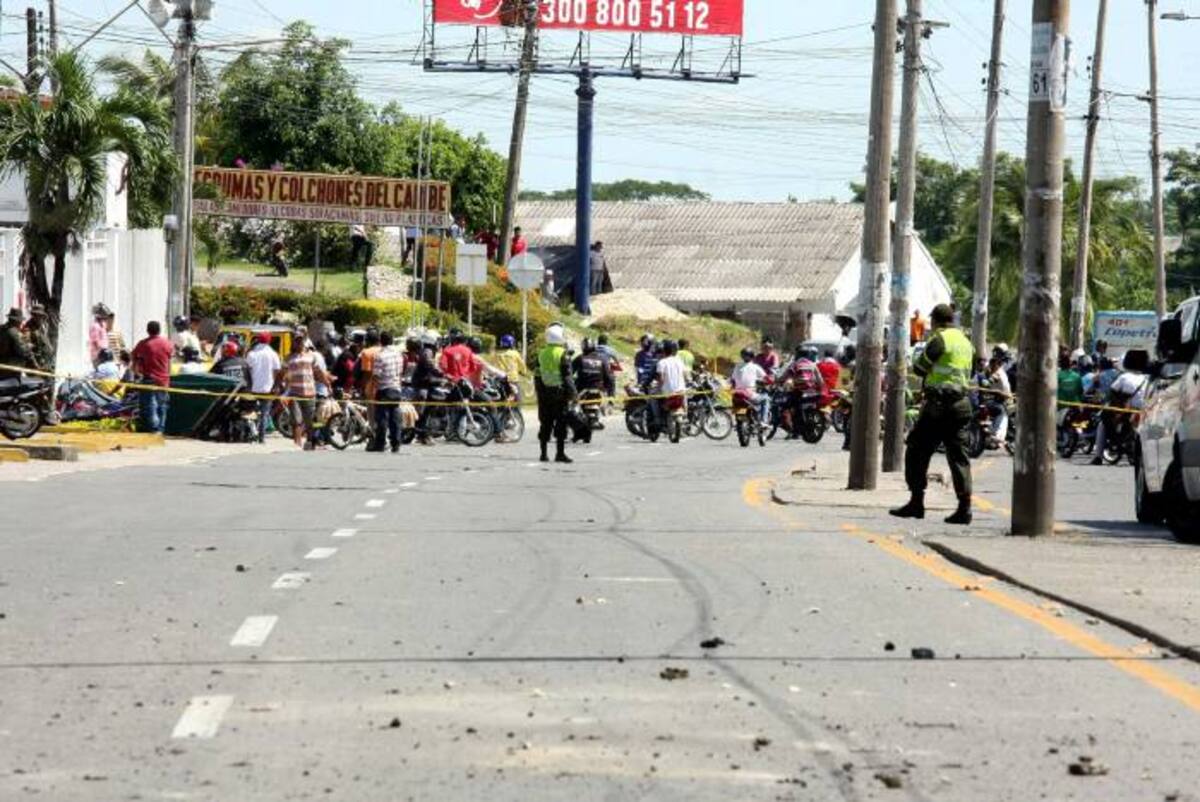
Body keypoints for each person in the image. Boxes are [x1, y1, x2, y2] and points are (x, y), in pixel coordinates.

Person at [889, 304, 975, 525]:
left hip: (938, 406)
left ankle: (916, 502)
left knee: (916, 450)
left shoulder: (940, 340)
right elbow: (971, 372)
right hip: (961, 405)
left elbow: (920, 368)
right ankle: (964, 508)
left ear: (936, 321)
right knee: (959, 457)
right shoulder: (966, 342)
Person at [278, 334, 328, 450]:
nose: (299, 343)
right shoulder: (288, 358)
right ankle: (297, 443)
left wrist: (327, 384)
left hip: (310, 393)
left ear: (304, 343)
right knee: (296, 420)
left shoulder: (311, 356)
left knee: (309, 421)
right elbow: (282, 373)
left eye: (301, 341)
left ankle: (309, 442)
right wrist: (277, 385)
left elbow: (318, 372)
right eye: (297, 341)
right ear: (294, 343)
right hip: (294, 393)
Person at [535, 323, 575, 464]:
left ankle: (543, 454)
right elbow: (567, 377)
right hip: (559, 395)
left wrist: (539, 393)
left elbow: (537, 375)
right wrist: (573, 394)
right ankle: (560, 454)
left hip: (544, 394)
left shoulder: (541, 353)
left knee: (545, 423)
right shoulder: (563, 354)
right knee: (561, 424)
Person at [1092, 362, 1147, 466]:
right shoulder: (1146, 378)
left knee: (1102, 424)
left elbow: (1112, 392)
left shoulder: (1124, 377)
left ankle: (1098, 456)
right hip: (1143, 410)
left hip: (1128, 410)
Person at [131, 320, 174, 433]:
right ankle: (161, 428)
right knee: (162, 405)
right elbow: (170, 360)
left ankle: (154, 427)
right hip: (164, 379)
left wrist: (135, 370)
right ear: (159, 330)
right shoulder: (167, 343)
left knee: (150, 405)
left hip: (149, 378)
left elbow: (134, 356)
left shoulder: (143, 344)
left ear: (147, 331)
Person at [368, 331, 405, 453]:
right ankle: (396, 444)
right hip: (396, 388)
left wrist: (372, 390)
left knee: (382, 418)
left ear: (381, 341)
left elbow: (376, 376)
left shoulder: (380, 356)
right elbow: (400, 372)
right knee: (395, 418)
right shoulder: (398, 355)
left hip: (384, 389)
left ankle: (380, 444)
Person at [782, 345, 825, 438]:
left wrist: (778, 380)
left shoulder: (795, 364)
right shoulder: (812, 364)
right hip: (813, 392)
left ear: (797, 354)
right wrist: (820, 389)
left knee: (788, 406)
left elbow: (785, 376)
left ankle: (796, 430)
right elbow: (820, 380)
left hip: (800, 392)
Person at [246, 332, 281, 442]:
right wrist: (275, 386)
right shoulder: (273, 354)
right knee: (264, 413)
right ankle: (261, 437)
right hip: (268, 389)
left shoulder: (251, 354)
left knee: (251, 412)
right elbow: (277, 371)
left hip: (253, 388)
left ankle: (252, 434)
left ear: (258, 340)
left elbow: (248, 370)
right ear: (269, 341)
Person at [654, 340, 688, 431]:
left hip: (668, 392)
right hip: (681, 391)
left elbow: (661, 379)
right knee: (684, 400)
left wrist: (658, 388)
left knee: (653, 399)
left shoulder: (661, 362)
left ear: (664, 351)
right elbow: (685, 376)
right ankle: (685, 416)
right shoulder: (679, 361)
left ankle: (657, 419)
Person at [730, 347, 769, 423]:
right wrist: (771, 381)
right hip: (749, 394)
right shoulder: (755, 367)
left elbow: (733, 380)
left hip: (736, 394)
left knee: (739, 411)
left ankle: (741, 422)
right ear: (752, 356)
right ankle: (763, 421)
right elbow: (767, 378)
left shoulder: (737, 366)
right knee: (766, 398)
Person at [0, 307, 35, 378]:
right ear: (16, 321)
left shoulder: (2, 328)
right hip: (11, 370)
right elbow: (23, 351)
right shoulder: (14, 332)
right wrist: (29, 345)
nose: (21, 323)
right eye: (20, 321)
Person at [25, 304, 53, 370]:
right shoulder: (28, 328)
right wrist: (36, 365)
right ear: (33, 315)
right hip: (36, 364)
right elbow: (28, 349)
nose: (40, 318)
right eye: (37, 315)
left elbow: (46, 342)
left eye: (41, 316)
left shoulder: (43, 326)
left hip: (46, 362)